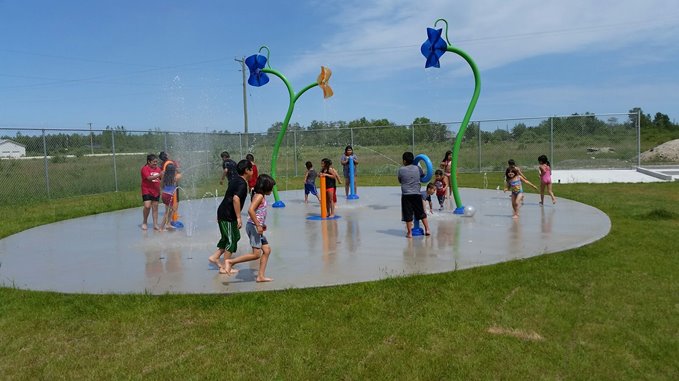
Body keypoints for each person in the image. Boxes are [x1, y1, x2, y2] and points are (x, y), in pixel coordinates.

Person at [223, 174, 276, 282]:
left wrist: (261, 224)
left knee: (266, 250)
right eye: (271, 187)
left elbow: (258, 212)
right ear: (265, 186)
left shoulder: (258, 194)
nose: (272, 189)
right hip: (254, 227)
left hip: (255, 226)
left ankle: (260, 276)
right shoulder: (259, 196)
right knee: (256, 254)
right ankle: (230, 262)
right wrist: (258, 225)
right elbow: (250, 210)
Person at [208, 159, 253, 273]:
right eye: (251, 169)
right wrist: (238, 217)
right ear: (247, 171)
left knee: (233, 237)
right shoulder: (242, 183)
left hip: (225, 213)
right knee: (231, 240)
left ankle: (215, 257)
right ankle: (225, 266)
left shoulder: (236, 179)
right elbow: (236, 199)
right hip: (227, 215)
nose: (253, 171)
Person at [398, 151, 430, 237]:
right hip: (416, 194)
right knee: (421, 212)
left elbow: (400, 180)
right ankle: (427, 229)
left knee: (408, 214)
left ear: (404, 161)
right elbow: (422, 176)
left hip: (406, 195)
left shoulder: (401, 170)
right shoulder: (418, 168)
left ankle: (409, 233)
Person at [140, 154, 162, 231]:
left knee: (155, 207)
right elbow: (149, 178)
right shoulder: (145, 169)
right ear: (149, 162)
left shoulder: (158, 169)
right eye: (154, 162)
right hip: (147, 190)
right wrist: (159, 175)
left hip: (156, 191)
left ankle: (155, 224)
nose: (155, 163)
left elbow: (161, 178)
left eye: (156, 162)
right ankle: (145, 222)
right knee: (147, 206)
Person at [159, 163, 182, 231]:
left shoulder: (164, 176)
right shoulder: (175, 178)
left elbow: (161, 184)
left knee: (171, 210)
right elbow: (180, 175)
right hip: (169, 196)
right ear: (173, 171)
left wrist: (161, 192)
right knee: (167, 212)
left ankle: (168, 224)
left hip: (164, 194)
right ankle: (161, 227)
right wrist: (178, 170)